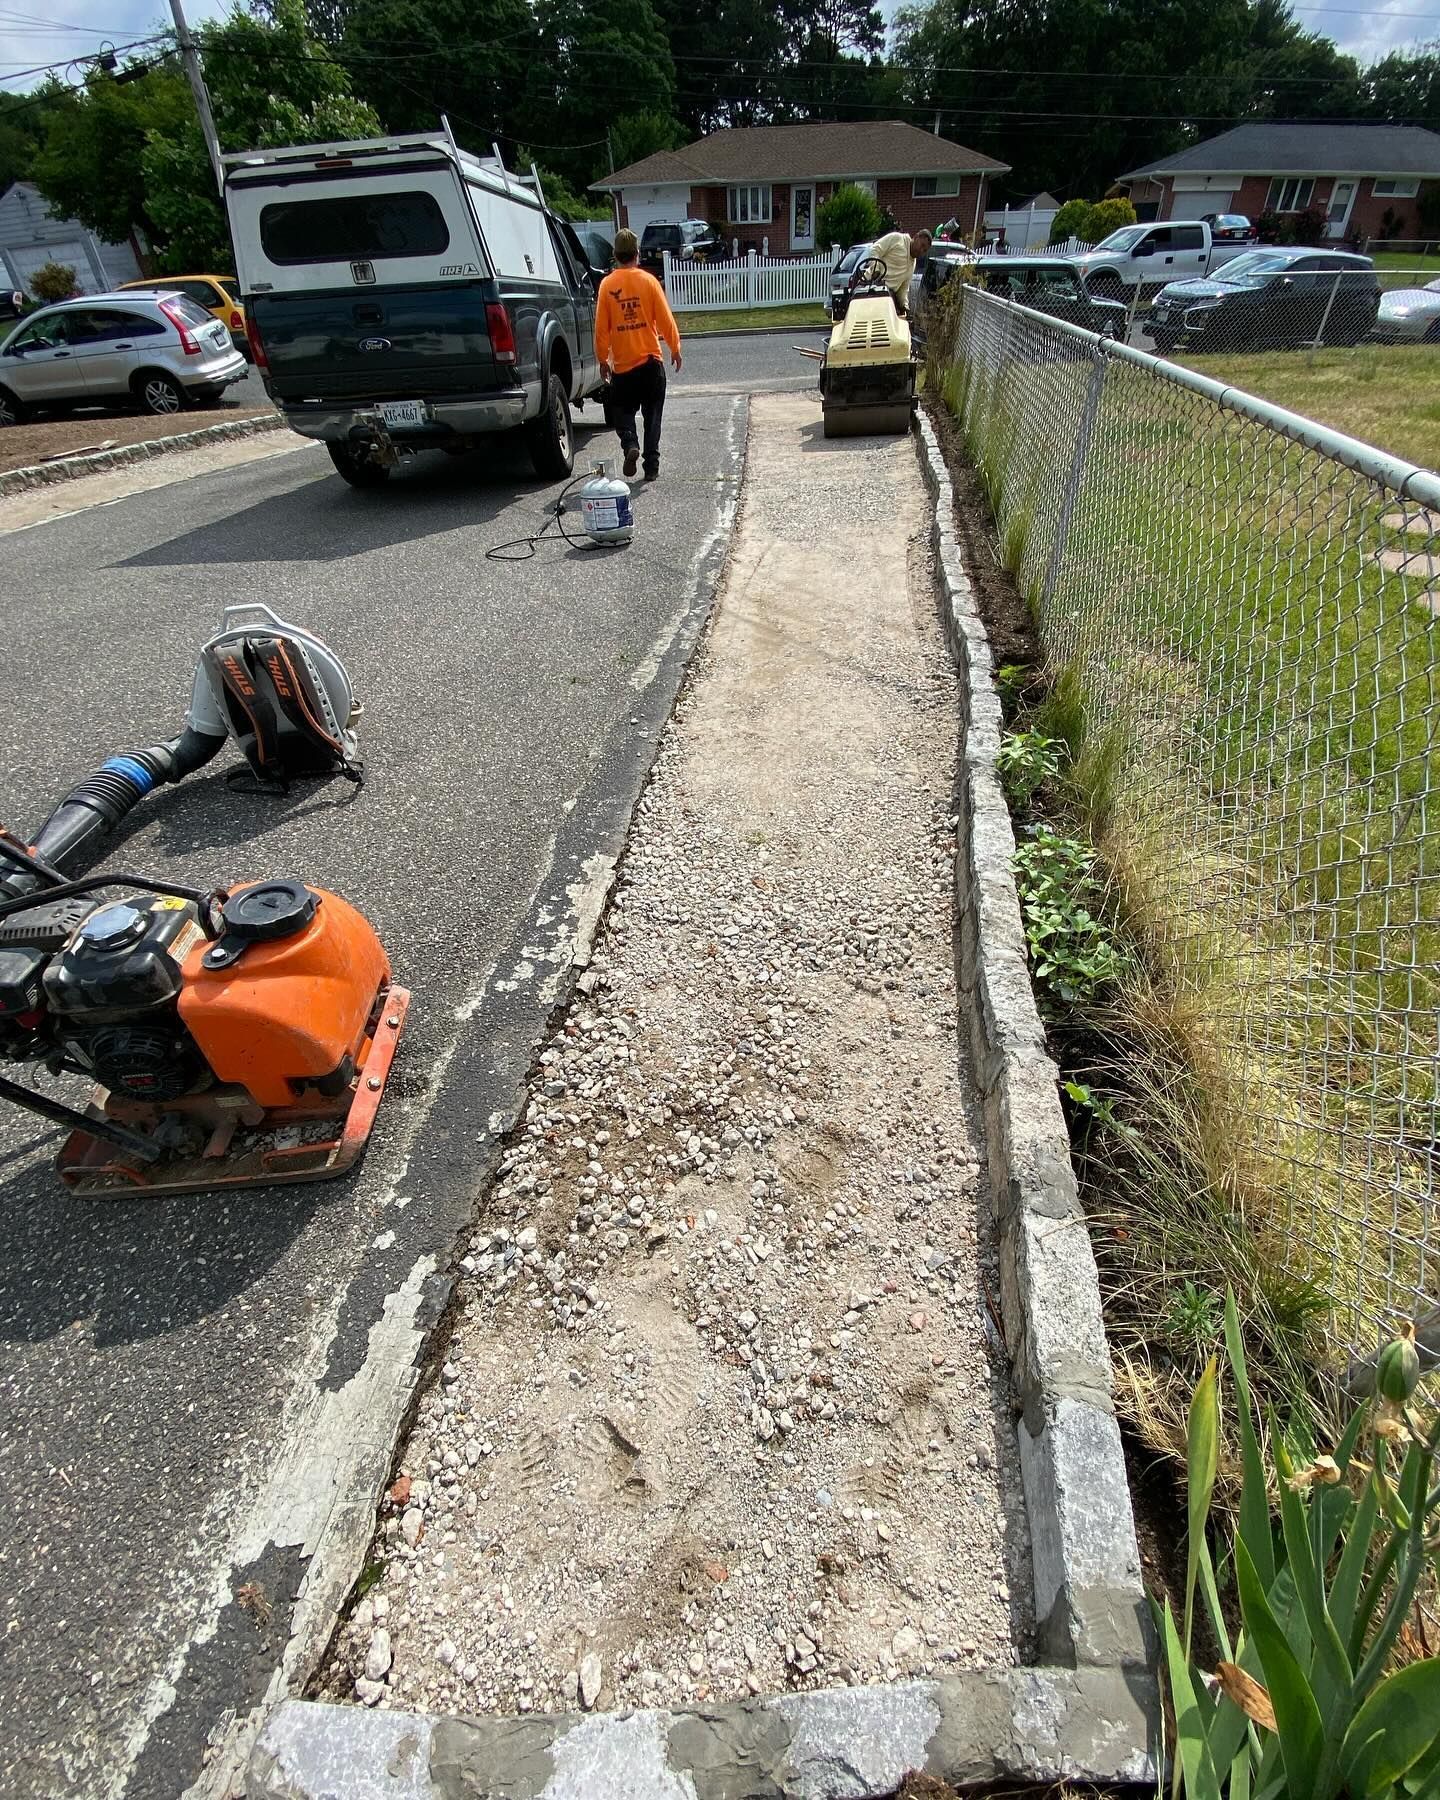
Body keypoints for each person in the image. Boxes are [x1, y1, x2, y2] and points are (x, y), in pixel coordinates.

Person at [594, 227, 682, 482]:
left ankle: (630, 443)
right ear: (637, 253)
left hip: (624, 368)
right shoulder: (649, 281)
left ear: (615, 255)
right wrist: (675, 348)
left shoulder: (607, 286)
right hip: (651, 363)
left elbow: (601, 329)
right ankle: (651, 466)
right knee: (653, 416)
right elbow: (665, 319)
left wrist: (603, 360)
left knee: (621, 411)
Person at [869, 227, 932, 316]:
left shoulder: (912, 264)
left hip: (887, 297)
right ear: (916, 237)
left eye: (924, 250)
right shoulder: (897, 239)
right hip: (870, 286)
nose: (921, 251)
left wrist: (904, 306)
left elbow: (903, 289)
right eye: (922, 245)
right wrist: (876, 270)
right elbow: (875, 249)